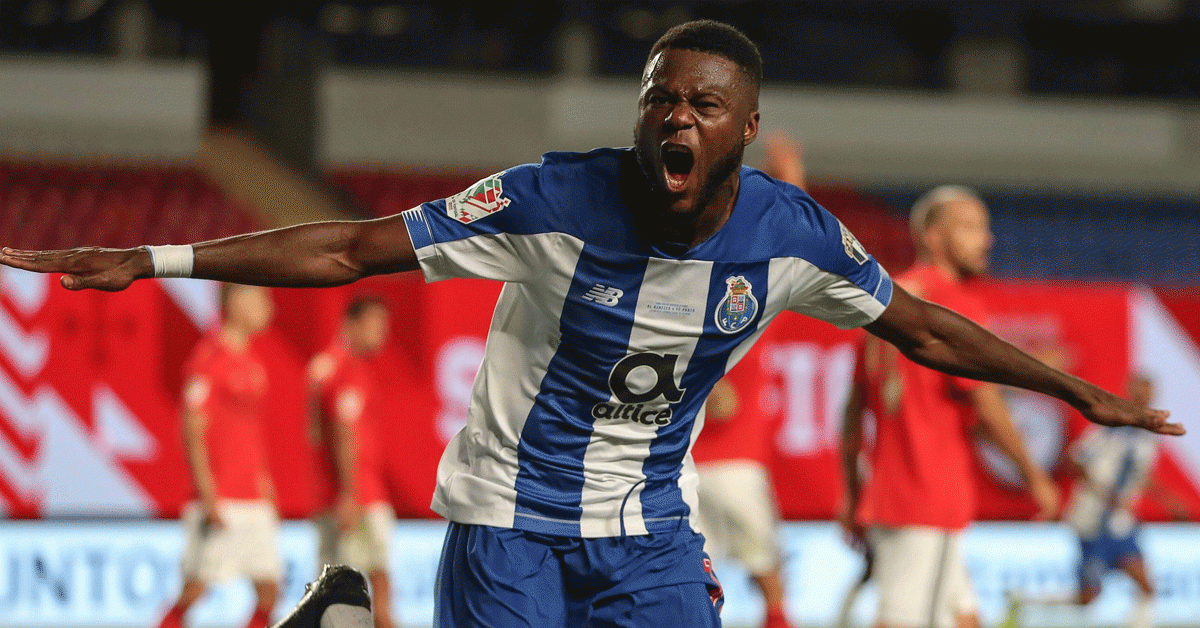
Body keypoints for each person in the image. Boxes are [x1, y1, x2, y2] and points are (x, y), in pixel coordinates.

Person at [0, 20, 1180, 628]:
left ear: (745, 128)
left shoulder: (792, 237)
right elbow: (351, 247)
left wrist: (1076, 392)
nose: (675, 116)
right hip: (507, 521)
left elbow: (922, 327)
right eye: (659, 97)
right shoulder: (548, 200)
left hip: (647, 529)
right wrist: (152, 260)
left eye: (703, 104)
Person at [839, 185, 1064, 628]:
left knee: (963, 617)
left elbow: (852, 415)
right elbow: (987, 404)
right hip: (928, 495)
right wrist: (1035, 475)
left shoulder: (884, 300)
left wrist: (851, 495)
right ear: (934, 236)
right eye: (970, 227)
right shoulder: (952, 302)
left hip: (893, 494)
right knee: (901, 620)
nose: (987, 239)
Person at [1002, 373, 1191, 628]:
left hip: (1119, 522)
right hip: (1093, 521)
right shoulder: (1110, 429)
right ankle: (1024, 599)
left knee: (1146, 586)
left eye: (1148, 392)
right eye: (1140, 390)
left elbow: (1140, 476)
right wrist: (1105, 493)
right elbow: (1074, 461)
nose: (1145, 397)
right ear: (1129, 392)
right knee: (1088, 597)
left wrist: (1170, 501)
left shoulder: (1147, 437)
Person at [157, 284, 281, 628]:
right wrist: (207, 492)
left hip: (252, 496)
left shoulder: (253, 361)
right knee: (195, 590)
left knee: (269, 591)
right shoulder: (209, 359)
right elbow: (192, 430)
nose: (268, 307)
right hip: (220, 497)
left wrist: (264, 481)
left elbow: (250, 432)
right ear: (235, 302)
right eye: (260, 298)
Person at [307, 296, 398, 628]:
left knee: (331, 595)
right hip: (360, 497)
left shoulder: (323, 367)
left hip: (331, 496)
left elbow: (314, 434)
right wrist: (350, 493)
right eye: (376, 324)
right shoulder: (347, 370)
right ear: (352, 324)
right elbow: (345, 434)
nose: (382, 333)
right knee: (378, 581)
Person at [692, 338, 791, 628]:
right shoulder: (743, 331)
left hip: (690, 467)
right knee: (764, 563)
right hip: (735, 465)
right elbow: (724, 405)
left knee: (697, 569)